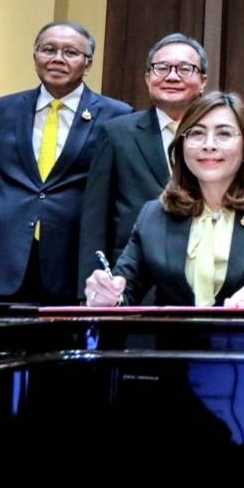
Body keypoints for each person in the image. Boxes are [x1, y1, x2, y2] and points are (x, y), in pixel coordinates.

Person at [85, 92, 244, 315]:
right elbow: (124, 292)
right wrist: (107, 296)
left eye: (224, 134)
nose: (209, 144)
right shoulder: (154, 215)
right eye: (197, 133)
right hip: (172, 344)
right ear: (182, 146)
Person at [0, 22, 132, 303]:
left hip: (74, 256)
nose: (57, 59)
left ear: (88, 65)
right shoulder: (2, 109)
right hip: (7, 253)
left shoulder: (116, 115)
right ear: (35, 56)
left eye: (70, 52)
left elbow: (116, 190)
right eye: (48, 50)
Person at [78, 33, 208, 295]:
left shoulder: (222, 136)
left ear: (203, 81)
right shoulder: (117, 133)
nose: (172, 77)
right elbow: (96, 218)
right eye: (162, 68)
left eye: (185, 69)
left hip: (206, 276)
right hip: (133, 282)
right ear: (148, 77)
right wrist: (90, 291)